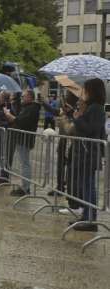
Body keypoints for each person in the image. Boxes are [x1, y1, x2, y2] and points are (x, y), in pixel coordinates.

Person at [63, 79, 106, 232]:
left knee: (89, 187)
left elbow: (89, 128)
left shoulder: (96, 108)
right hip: (85, 153)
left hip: (89, 153)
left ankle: (91, 220)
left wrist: (77, 117)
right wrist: (74, 115)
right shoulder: (92, 108)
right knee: (85, 186)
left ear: (92, 91)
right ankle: (87, 215)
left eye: (86, 90)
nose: (84, 93)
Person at [4, 89, 41, 196]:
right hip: (21, 138)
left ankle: (26, 188)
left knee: (25, 163)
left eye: (23, 96)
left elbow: (21, 121)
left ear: (30, 97)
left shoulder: (32, 108)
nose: (22, 98)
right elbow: (18, 119)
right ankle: (24, 186)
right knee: (23, 162)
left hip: (26, 139)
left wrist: (9, 115)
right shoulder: (27, 107)